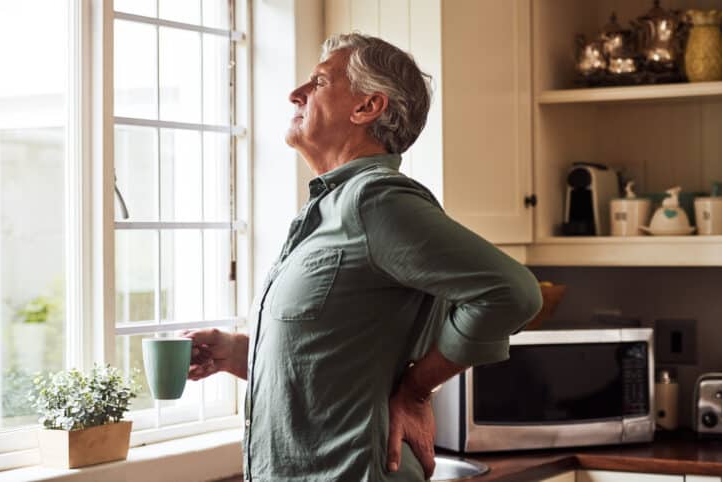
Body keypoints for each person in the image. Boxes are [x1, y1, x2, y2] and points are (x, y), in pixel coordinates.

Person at [183, 33, 542, 481]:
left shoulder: (375, 201)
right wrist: (238, 352)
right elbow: (332, 357)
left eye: (318, 81)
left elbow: (513, 293)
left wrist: (416, 391)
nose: (296, 93)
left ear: (368, 107)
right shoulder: (328, 209)